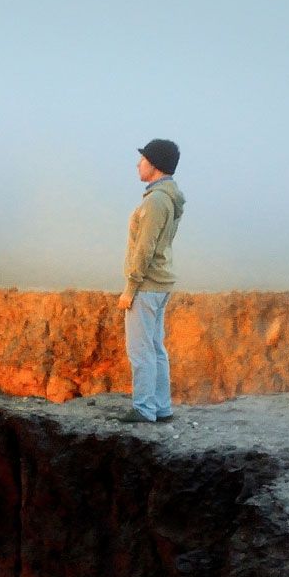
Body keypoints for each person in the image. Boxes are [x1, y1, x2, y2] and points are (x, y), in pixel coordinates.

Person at [117, 138, 185, 424]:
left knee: (141, 350)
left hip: (146, 286)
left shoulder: (156, 201)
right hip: (160, 284)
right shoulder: (169, 197)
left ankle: (144, 408)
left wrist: (130, 289)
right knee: (156, 348)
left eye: (142, 159)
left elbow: (144, 249)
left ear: (154, 165)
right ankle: (161, 407)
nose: (138, 164)